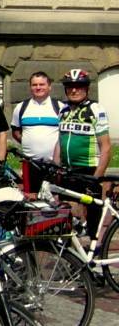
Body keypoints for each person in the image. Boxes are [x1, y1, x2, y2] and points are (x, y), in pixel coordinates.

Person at [55, 69, 112, 237]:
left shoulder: (95, 109)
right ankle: (69, 250)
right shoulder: (63, 110)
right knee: (66, 214)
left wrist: (96, 177)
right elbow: (59, 141)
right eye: (70, 86)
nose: (74, 90)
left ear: (87, 88)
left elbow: (106, 147)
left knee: (93, 215)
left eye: (79, 86)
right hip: (68, 169)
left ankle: (96, 249)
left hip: (89, 169)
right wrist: (55, 166)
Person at [11, 71, 62, 194]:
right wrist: (29, 143)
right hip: (30, 165)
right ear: (30, 87)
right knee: (30, 198)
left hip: (54, 166)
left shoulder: (60, 107)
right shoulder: (21, 107)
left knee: (54, 199)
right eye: (34, 85)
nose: (38, 88)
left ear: (49, 86)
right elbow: (16, 132)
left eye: (42, 84)